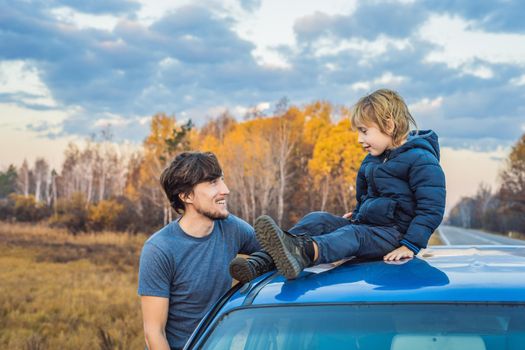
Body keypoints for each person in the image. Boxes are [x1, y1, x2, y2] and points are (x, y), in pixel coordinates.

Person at [230, 88, 446, 281]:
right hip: (369, 227)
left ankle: (303, 253)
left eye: (364, 131)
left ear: (388, 125)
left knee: (353, 236)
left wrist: (410, 245)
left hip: (395, 235)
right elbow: (367, 195)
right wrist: (358, 213)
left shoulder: (421, 159)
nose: (359, 139)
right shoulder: (373, 159)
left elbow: (431, 208)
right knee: (318, 219)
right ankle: (262, 261)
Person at [138, 152, 264, 350]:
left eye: (222, 180)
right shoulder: (159, 249)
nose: (226, 190)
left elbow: (279, 250)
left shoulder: (231, 228)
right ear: (186, 196)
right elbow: (153, 333)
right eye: (213, 182)